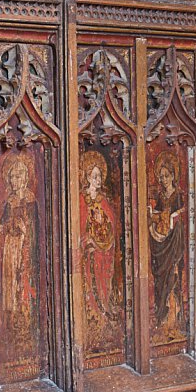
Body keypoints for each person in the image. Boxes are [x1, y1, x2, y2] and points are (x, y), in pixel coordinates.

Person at [0, 152, 43, 348]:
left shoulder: (31, 200)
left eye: (19, 176)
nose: (15, 180)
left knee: (24, 287)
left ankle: (28, 328)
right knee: (11, 288)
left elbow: (35, 228)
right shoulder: (9, 202)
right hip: (11, 251)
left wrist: (24, 231)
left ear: (25, 177)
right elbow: (2, 225)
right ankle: (11, 328)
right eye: (12, 177)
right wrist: (6, 228)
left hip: (26, 250)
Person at [80, 149, 122, 357]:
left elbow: (112, 226)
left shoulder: (104, 201)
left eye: (99, 176)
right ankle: (90, 326)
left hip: (103, 254)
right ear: (86, 177)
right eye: (94, 176)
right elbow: (79, 227)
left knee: (105, 289)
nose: (98, 179)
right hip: (88, 257)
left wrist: (103, 240)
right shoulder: (81, 200)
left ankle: (104, 321)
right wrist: (86, 240)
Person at [148, 150, 187, 342]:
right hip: (162, 246)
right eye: (160, 176)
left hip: (175, 246)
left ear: (173, 175)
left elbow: (182, 215)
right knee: (161, 282)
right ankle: (162, 320)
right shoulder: (161, 196)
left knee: (173, 280)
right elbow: (157, 214)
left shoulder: (179, 195)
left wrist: (172, 217)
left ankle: (174, 321)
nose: (163, 179)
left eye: (166, 176)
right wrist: (154, 214)